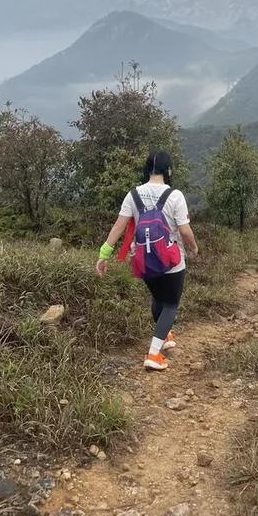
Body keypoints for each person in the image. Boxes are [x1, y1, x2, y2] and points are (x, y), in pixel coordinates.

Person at [95, 150, 199, 371]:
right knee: (170, 305)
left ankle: (165, 334)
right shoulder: (175, 195)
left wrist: (104, 254)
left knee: (158, 298)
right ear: (168, 169)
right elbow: (185, 230)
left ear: (147, 169)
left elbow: (118, 227)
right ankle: (153, 354)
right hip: (171, 261)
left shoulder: (133, 195)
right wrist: (193, 248)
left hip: (144, 260)